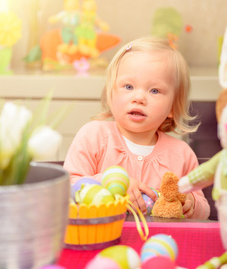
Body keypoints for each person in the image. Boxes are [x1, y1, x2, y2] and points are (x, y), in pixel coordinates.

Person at [64, 36, 210, 219]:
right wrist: (110, 182)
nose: (139, 97)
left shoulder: (181, 155)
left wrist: (192, 204)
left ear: (172, 107)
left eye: (154, 91)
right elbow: (68, 189)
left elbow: (204, 210)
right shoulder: (94, 136)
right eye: (128, 86)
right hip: (103, 239)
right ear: (111, 95)